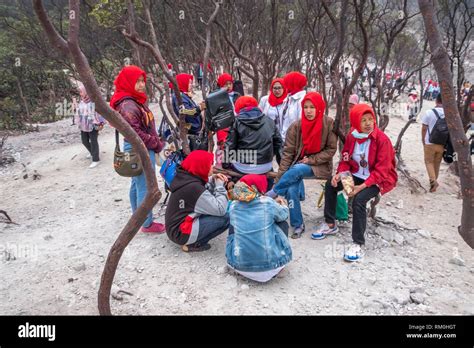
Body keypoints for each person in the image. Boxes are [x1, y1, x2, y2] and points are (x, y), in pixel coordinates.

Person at [312, 104, 398, 262]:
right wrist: (340, 174)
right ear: (356, 122)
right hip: (356, 174)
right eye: (363, 120)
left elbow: (382, 170)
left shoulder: (382, 140)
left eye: (370, 119)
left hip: (375, 179)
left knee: (359, 201)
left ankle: (358, 243)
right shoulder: (353, 136)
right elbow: (345, 159)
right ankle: (330, 224)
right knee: (331, 185)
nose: (368, 123)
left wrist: (361, 187)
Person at [266, 92, 337, 238]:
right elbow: (288, 155)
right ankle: (298, 224)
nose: (309, 111)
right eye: (305, 107)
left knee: (297, 169)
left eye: (312, 107)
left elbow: (331, 150)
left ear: (319, 108)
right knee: (292, 188)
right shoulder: (296, 127)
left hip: (320, 165)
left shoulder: (328, 123)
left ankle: (274, 192)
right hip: (296, 165)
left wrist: (310, 160)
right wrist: (280, 176)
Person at [110, 65, 165, 233]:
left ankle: (137, 217)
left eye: (143, 81)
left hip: (135, 146)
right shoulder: (128, 104)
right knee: (145, 186)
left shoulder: (130, 100)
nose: (142, 85)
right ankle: (146, 223)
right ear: (128, 82)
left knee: (136, 184)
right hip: (139, 148)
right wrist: (156, 144)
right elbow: (137, 133)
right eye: (137, 81)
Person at [226, 174, 292, 283]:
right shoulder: (268, 203)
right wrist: (282, 205)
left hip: (240, 267)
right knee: (282, 223)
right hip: (271, 267)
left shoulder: (233, 206)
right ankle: (280, 264)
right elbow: (284, 215)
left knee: (234, 225)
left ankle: (238, 259)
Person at [165, 150, 230, 252]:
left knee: (216, 210)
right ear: (201, 167)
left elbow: (202, 185)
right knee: (226, 217)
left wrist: (212, 179)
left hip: (174, 228)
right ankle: (194, 244)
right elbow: (220, 209)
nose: (212, 167)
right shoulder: (193, 188)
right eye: (210, 164)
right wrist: (219, 186)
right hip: (180, 233)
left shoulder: (184, 177)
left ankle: (193, 237)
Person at [223, 96, 282, 189]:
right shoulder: (269, 121)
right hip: (265, 166)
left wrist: (226, 166)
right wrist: (277, 162)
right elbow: (278, 144)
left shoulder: (236, 121)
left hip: (242, 166)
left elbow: (229, 146)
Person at [171, 73, 205, 151]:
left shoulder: (185, 95)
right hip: (189, 131)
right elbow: (187, 112)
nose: (191, 85)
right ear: (183, 83)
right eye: (189, 83)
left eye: (191, 82)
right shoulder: (179, 97)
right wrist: (200, 108)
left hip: (193, 129)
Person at [75, 85, 105, 168]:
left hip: (93, 124)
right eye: (80, 92)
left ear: (86, 91)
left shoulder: (93, 101)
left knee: (93, 141)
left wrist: (101, 123)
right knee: (84, 141)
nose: (80, 93)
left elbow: (99, 112)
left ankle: (96, 159)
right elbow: (78, 113)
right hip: (83, 125)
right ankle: (92, 152)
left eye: (81, 91)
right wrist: (78, 122)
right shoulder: (81, 102)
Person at [259, 78, 288, 163]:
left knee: (282, 161)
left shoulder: (287, 101)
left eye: (279, 88)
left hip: (281, 136)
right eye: (275, 88)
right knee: (265, 160)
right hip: (267, 135)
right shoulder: (265, 100)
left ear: (284, 88)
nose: (277, 90)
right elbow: (260, 114)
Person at [421, 93, 445, 192]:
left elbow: (424, 128)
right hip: (442, 143)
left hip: (429, 142)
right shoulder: (448, 113)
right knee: (437, 162)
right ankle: (434, 180)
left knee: (429, 162)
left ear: (436, 101)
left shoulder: (429, 113)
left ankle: (433, 181)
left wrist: (423, 140)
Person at [215, 73, 241, 147]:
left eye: (230, 83)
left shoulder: (237, 95)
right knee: (224, 147)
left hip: (236, 124)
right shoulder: (216, 97)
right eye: (226, 84)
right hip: (223, 126)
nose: (229, 86)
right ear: (221, 85)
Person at [281, 71, 307, 141]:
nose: (285, 86)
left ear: (293, 84)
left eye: (287, 83)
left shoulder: (302, 100)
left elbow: (301, 124)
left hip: (293, 142)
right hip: (283, 139)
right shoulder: (288, 98)